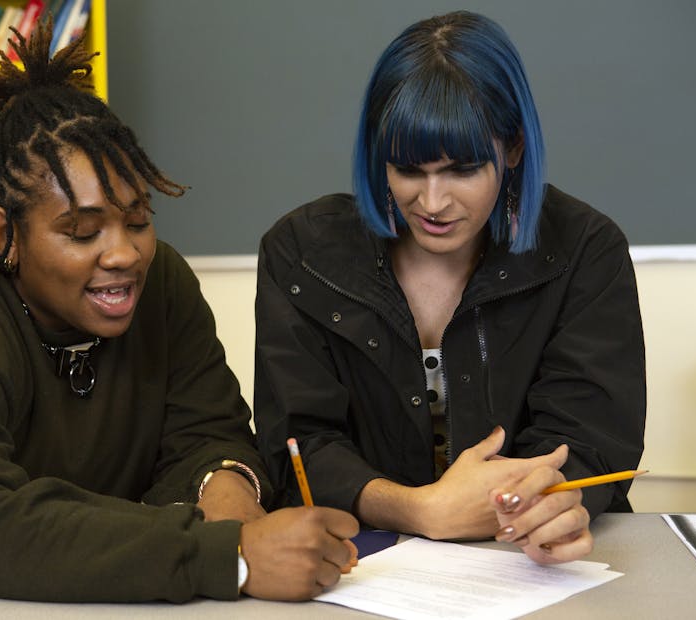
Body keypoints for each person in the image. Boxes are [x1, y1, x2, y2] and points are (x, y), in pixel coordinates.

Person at [0, 19, 357, 603]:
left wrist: (224, 483)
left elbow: (208, 430)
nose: (124, 253)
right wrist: (230, 558)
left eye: (138, 220)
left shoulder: (163, 282)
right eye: (79, 232)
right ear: (6, 237)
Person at [254, 10, 645, 565]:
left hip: (529, 564)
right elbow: (296, 446)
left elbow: (588, 441)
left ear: (511, 150)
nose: (432, 203)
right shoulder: (301, 252)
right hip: (357, 565)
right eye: (408, 169)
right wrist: (419, 509)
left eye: (462, 170)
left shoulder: (585, 249)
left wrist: (548, 506)